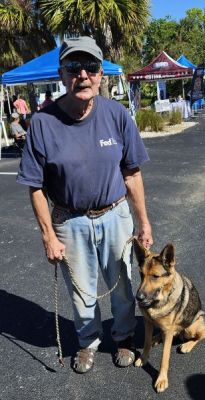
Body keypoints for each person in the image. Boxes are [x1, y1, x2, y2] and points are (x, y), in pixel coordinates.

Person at [17, 36, 153, 373]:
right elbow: (34, 186)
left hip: (115, 214)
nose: (83, 74)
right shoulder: (42, 123)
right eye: (73, 67)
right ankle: (88, 341)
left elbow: (132, 173)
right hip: (69, 220)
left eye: (90, 67)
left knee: (121, 285)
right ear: (62, 75)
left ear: (101, 74)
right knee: (80, 291)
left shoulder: (117, 115)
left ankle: (123, 337)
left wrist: (144, 223)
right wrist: (48, 235)